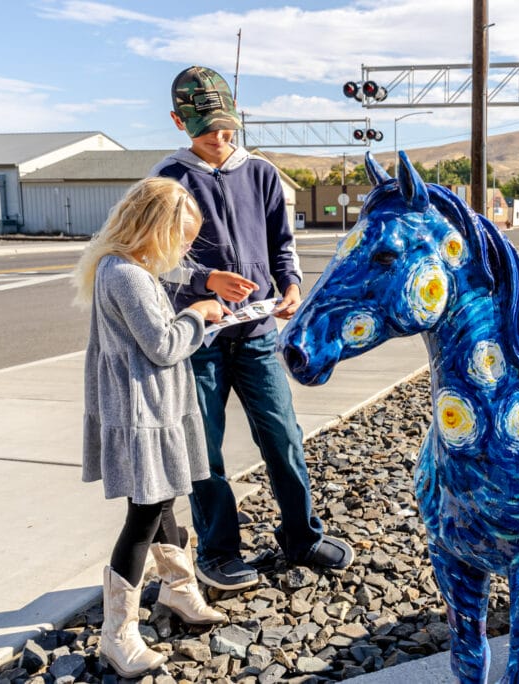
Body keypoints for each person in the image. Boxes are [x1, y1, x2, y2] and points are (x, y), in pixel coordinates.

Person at [152, 65, 354, 591]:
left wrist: (290, 285)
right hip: (200, 342)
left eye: (228, 127)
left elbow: (281, 244)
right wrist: (205, 279)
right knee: (206, 449)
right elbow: (155, 258)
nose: (221, 138)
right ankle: (218, 551)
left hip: (260, 336)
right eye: (207, 129)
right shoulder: (166, 182)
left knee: (284, 436)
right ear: (178, 121)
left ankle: (302, 537)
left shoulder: (261, 173)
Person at [74, 177, 229, 678]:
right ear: (153, 229)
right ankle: (117, 635)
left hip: (151, 408)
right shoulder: (128, 277)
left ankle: (179, 591)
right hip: (142, 413)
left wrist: (204, 310)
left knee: (161, 500)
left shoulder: (125, 267)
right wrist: (199, 313)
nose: (186, 248)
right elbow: (162, 345)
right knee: (145, 513)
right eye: (181, 237)